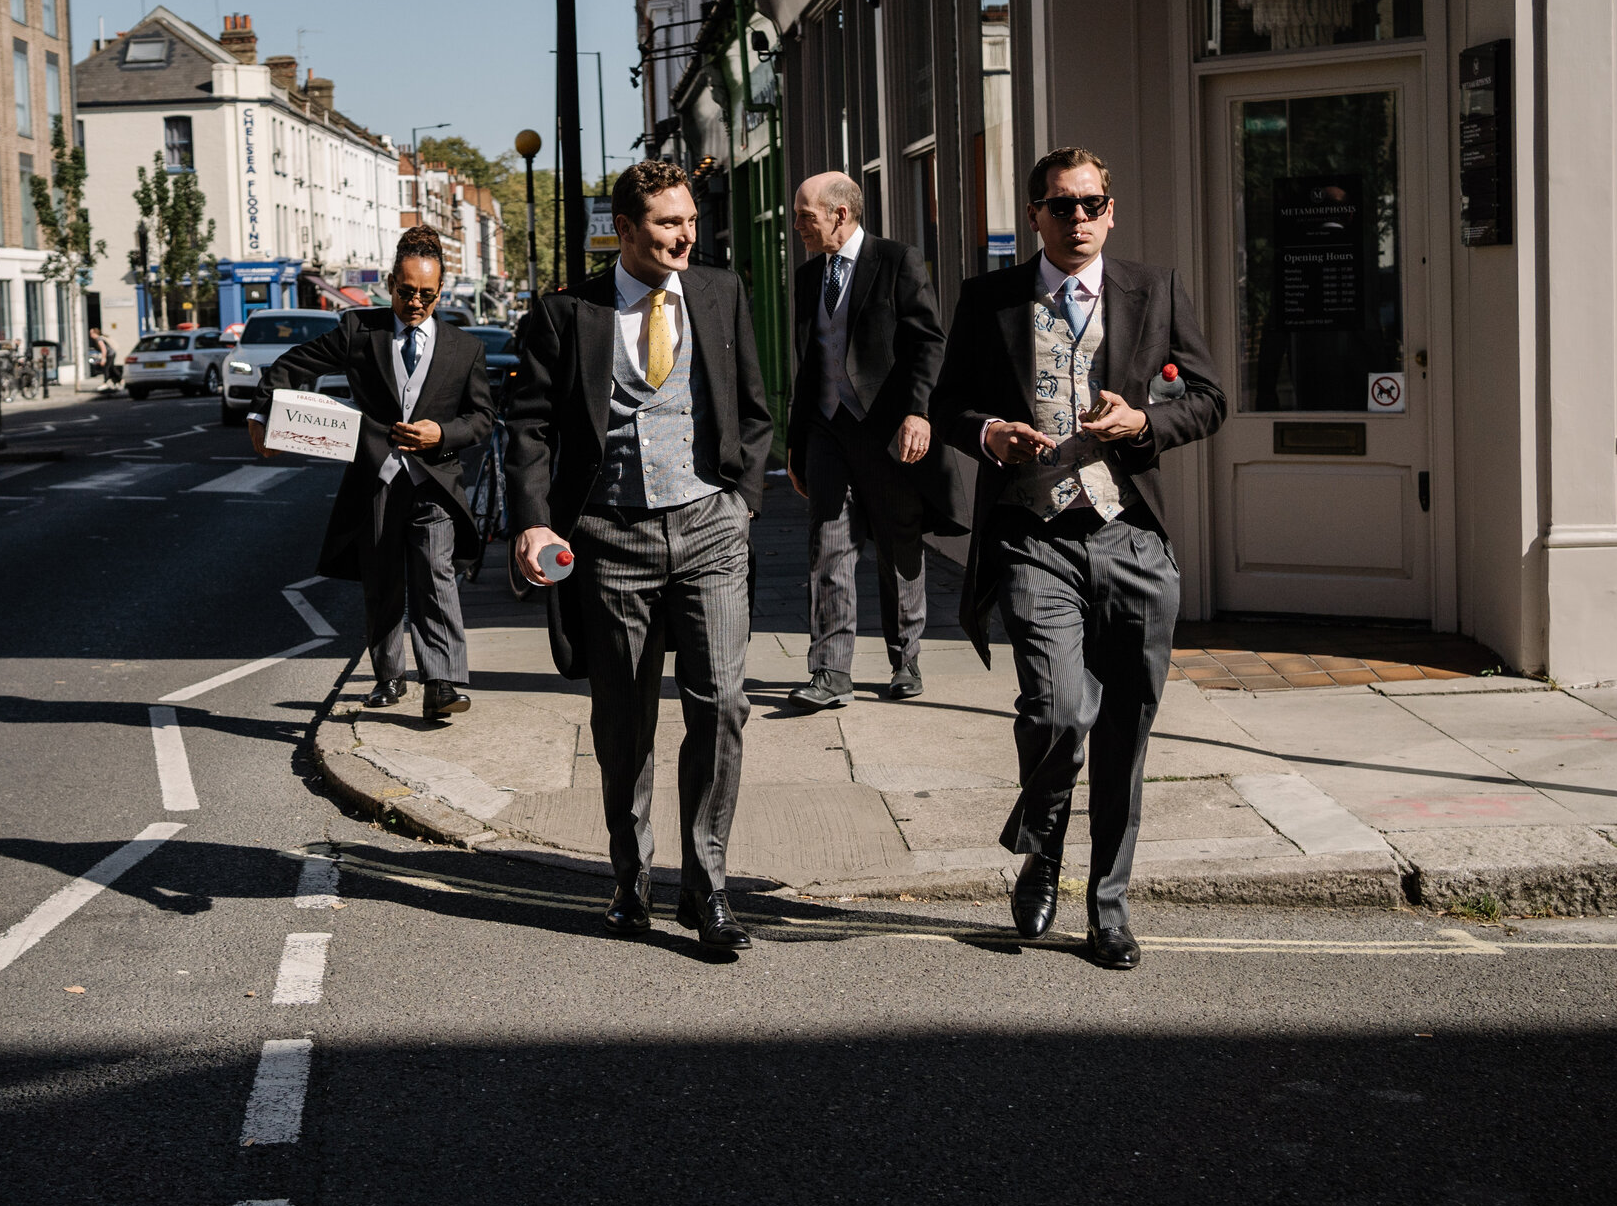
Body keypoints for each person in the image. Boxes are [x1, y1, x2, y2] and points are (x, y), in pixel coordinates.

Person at [935, 146, 1225, 970]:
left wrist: (1144, 425)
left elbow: (1210, 398)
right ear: (1034, 214)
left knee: (1126, 735)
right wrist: (989, 433)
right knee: (1059, 711)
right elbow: (948, 404)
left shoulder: (1154, 288)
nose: (1079, 219)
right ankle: (1043, 845)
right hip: (1033, 535)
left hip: (1129, 535)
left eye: (1092, 203)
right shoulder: (989, 299)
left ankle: (1108, 904)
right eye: (1061, 206)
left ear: (1112, 208)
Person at [507, 160, 774, 951]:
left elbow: (753, 408)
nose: (686, 234)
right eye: (667, 222)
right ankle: (631, 879)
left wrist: (744, 501)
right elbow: (528, 427)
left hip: (710, 528)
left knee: (722, 703)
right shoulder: (565, 313)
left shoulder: (720, 293)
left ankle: (709, 883)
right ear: (623, 229)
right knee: (624, 725)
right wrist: (533, 521)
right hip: (611, 539)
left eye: (689, 219)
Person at [250, 227, 494, 720]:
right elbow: (293, 364)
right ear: (389, 283)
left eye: (427, 294)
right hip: (377, 482)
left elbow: (481, 420)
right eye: (406, 292)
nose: (416, 302)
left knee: (435, 577)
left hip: (435, 485)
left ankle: (442, 682)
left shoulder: (464, 349)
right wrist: (262, 414)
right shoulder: (359, 331)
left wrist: (441, 435)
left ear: (441, 291)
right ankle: (388, 676)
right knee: (381, 581)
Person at [783, 171, 951, 710]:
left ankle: (905, 658)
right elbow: (808, 367)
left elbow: (928, 343)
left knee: (898, 541)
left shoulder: (897, 261)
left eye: (805, 216)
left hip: (887, 429)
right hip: (828, 431)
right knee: (827, 548)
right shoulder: (810, 278)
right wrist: (795, 444)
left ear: (840, 214)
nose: (797, 227)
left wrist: (918, 413)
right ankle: (831, 672)